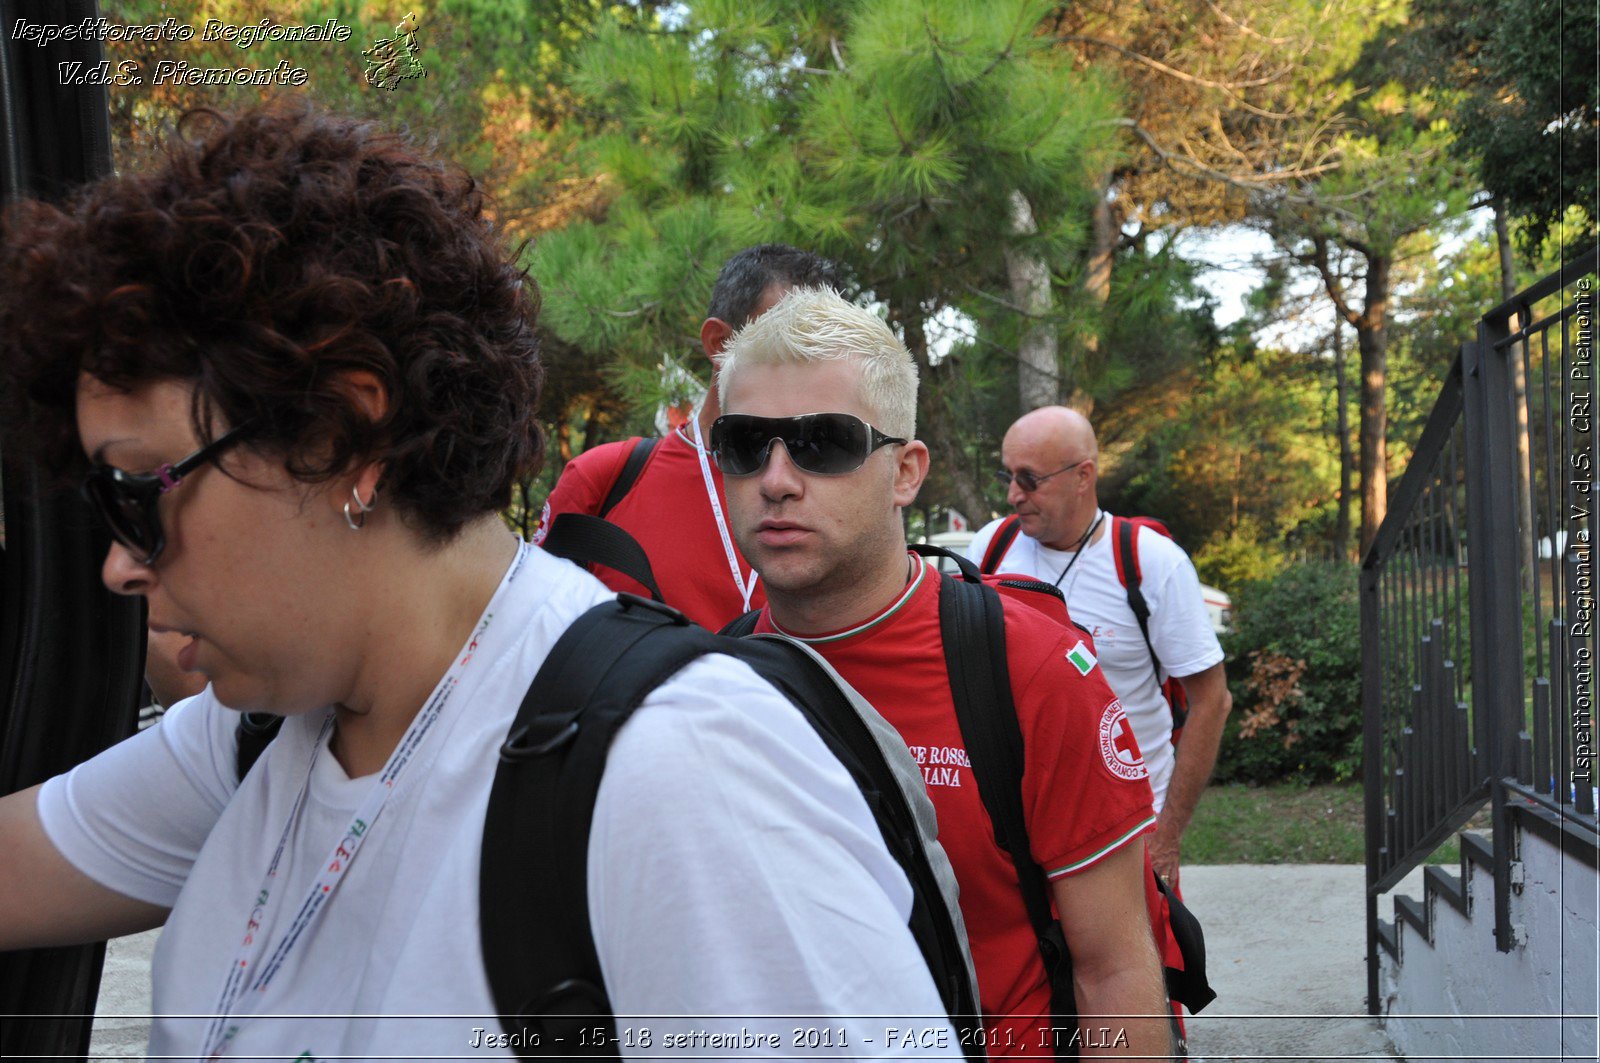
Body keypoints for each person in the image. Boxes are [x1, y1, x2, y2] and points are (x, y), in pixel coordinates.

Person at [0, 105, 960, 1059]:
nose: (119, 565)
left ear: (341, 437)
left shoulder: (677, 771)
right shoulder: (255, 735)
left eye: (139, 494)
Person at [714, 288, 1173, 1059]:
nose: (778, 478)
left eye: (824, 441)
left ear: (905, 471)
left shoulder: (1030, 668)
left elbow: (1116, 967)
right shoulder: (708, 687)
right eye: (745, 442)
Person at [968, 407, 1232, 886]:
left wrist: (1166, 836)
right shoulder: (989, 548)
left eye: (1028, 479)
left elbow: (1212, 700)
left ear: (1083, 476)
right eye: (1006, 476)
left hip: (1127, 830)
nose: (1013, 495)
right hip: (1018, 832)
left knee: (1139, 963)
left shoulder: (1150, 563)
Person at [539, 244, 841, 629]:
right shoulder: (603, 480)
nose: (816, 365)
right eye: (791, 339)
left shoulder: (842, 484)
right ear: (719, 343)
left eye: (827, 346)